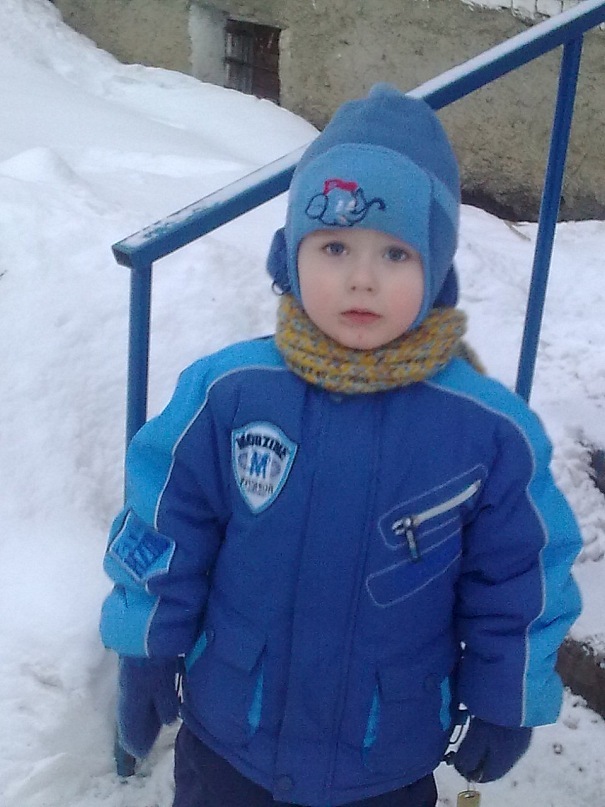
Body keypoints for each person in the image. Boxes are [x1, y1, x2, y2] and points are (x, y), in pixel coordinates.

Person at [99, 84, 582, 807]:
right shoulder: (228, 394)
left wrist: (505, 696)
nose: (361, 278)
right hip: (230, 741)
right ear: (289, 257)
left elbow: (520, 577)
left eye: (395, 253)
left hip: (384, 755)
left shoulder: (486, 432)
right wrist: (145, 642)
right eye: (333, 247)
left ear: (437, 273)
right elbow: (165, 525)